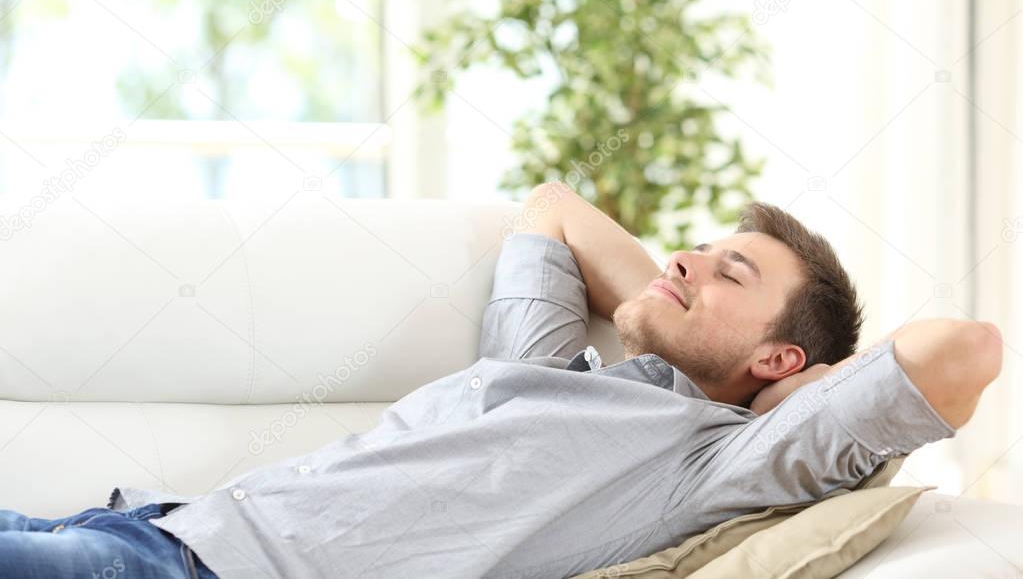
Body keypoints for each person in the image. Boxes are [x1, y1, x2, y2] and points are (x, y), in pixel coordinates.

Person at [0, 182, 1003, 578]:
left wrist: (788, 396)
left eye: (729, 270)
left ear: (784, 363)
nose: (686, 260)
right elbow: (553, 209)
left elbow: (963, 351)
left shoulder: (719, 461)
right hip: (150, 526)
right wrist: (671, 301)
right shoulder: (540, 366)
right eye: (691, 249)